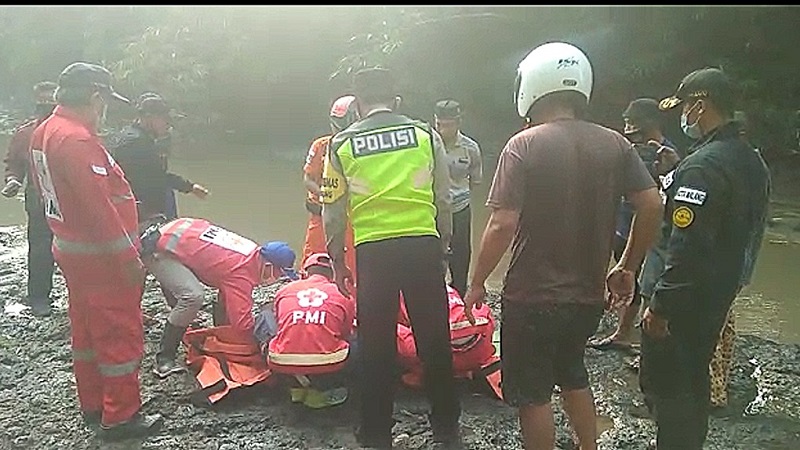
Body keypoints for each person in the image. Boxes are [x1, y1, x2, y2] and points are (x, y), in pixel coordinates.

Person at [463, 42, 663, 450]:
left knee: (533, 394)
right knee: (573, 374)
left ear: (532, 87)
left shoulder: (524, 145)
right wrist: (627, 266)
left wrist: (477, 282)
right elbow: (652, 204)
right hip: (588, 295)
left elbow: (502, 223)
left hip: (532, 295)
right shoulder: (616, 144)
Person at [322, 67, 461, 448]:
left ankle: (376, 432)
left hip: (373, 250)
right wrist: (444, 247)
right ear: (396, 100)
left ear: (358, 105)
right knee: (434, 336)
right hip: (422, 243)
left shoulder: (342, 144)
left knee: (376, 341)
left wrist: (337, 260)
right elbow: (444, 198)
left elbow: (331, 211)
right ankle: (447, 427)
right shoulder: (424, 135)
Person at [27, 62, 163, 439]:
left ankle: (94, 405)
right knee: (120, 333)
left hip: (72, 250)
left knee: (87, 334)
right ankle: (121, 416)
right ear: (96, 97)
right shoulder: (77, 140)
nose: (105, 111)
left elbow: (49, 195)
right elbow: (100, 211)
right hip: (101, 258)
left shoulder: (44, 132)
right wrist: (129, 260)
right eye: (105, 102)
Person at [640, 67, 771, 450]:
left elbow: (687, 246)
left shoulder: (703, 167)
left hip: (684, 301)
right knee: (694, 379)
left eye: (685, 108)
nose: (682, 117)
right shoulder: (750, 159)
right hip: (719, 291)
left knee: (669, 388)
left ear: (700, 106)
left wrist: (660, 306)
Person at [138, 217, 298, 378]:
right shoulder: (241, 273)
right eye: (280, 274)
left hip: (179, 231)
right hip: (158, 248)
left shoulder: (251, 251)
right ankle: (165, 358)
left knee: (192, 290)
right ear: (269, 266)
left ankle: (208, 326)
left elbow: (226, 289)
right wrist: (264, 332)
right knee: (192, 297)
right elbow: (242, 324)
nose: (279, 279)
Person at [589, 98, 680, 352]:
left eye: (632, 124)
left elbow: (671, 198)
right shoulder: (627, 150)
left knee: (650, 283)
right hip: (622, 223)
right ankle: (622, 332)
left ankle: (648, 339)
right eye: (626, 123)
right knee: (623, 277)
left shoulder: (669, 155)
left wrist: (669, 170)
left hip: (650, 230)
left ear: (648, 125)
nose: (628, 129)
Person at [708, 110, 771, 412]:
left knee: (710, 326)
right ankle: (721, 382)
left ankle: (714, 390)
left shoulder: (736, 164)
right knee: (725, 321)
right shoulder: (756, 164)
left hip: (726, 259)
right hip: (742, 259)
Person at [254, 252, 357, 409]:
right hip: (332, 364)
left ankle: (297, 379)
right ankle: (326, 383)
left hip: (282, 362)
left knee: (265, 314)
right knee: (360, 337)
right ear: (334, 273)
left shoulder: (285, 290)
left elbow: (281, 323)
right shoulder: (343, 293)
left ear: (305, 272)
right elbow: (346, 333)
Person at [106, 92, 208, 223]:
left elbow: (154, 174)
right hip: (138, 215)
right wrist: (189, 187)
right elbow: (157, 178)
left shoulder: (127, 135)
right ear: (149, 118)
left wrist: (189, 187)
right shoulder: (137, 143)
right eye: (166, 120)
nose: (169, 125)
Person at [2, 81, 58, 317]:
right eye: (41, 103)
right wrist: (13, 180)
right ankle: (38, 297)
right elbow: (14, 164)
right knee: (40, 248)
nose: (45, 108)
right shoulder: (25, 133)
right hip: (38, 196)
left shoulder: (70, 133)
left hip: (70, 197)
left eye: (50, 103)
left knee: (77, 247)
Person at [301, 95, 358, 277]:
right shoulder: (321, 145)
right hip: (321, 216)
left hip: (353, 218)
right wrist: (328, 196)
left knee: (352, 264)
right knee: (314, 260)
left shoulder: (361, 148)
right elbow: (308, 179)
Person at [433, 99, 483, 297]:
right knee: (434, 259)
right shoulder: (427, 144)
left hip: (460, 209)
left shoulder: (470, 148)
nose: (442, 130)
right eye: (438, 125)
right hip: (434, 209)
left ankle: (459, 300)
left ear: (458, 122)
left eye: (447, 125)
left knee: (461, 258)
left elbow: (475, 181)